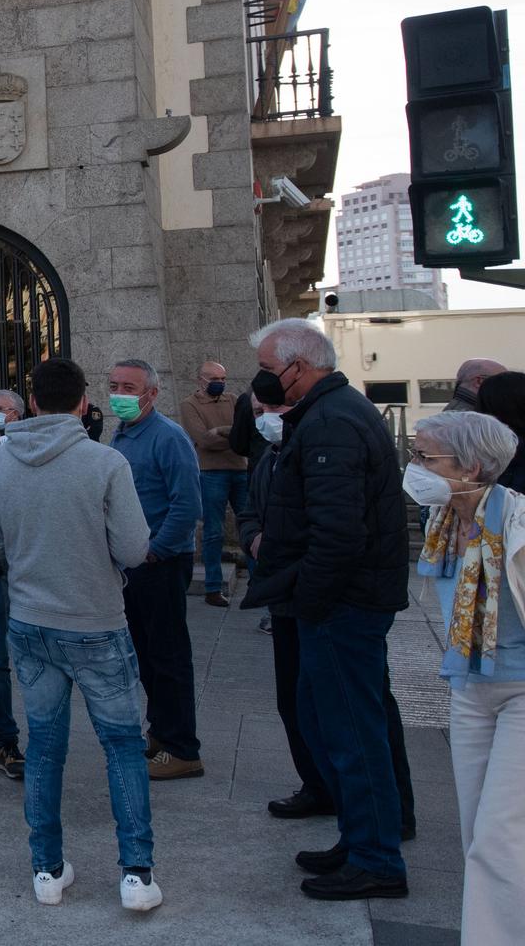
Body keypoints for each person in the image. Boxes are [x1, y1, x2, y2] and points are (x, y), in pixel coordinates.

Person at [0, 357, 161, 911]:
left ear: (32, 402)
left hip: (30, 622)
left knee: (43, 748)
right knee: (124, 747)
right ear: (84, 403)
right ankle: (135, 874)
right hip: (95, 623)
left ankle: (47, 870)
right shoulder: (104, 462)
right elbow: (133, 549)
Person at [240, 318, 409, 901]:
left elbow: (339, 534)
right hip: (336, 602)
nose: (262, 380)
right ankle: (360, 839)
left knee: (353, 734)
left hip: (342, 606)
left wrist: (306, 597)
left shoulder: (333, 421)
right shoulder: (329, 415)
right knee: (335, 727)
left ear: (299, 366)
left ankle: (376, 859)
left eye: (268, 367)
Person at [407, 410, 525, 940]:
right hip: (469, 689)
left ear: (473, 465)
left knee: (499, 838)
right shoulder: (442, 520)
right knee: (478, 830)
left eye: (427, 457)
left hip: (522, 689)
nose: (415, 467)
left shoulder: (517, 522)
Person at [104, 358, 204, 781]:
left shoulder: (169, 437)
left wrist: (155, 550)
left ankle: (183, 749)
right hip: (132, 564)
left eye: (130, 387)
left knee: (167, 655)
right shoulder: (121, 435)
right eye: (115, 385)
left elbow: (187, 505)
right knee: (145, 655)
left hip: (159, 563)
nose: (120, 394)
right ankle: (161, 734)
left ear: (152, 393)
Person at [180, 360, 248, 607]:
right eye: (214, 379)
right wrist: (233, 437)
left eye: (222, 379)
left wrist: (220, 431)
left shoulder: (233, 400)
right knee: (213, 531)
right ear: (201, 380)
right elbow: (202, 440)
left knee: (250, 527)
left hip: (241, 470)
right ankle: (212, 588)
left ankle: (257, 585)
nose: (219, 383)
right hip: (211, 473)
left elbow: (246, 433)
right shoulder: (190, 405)